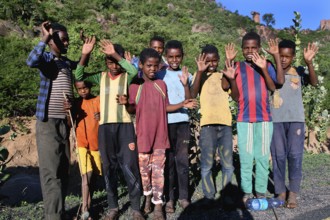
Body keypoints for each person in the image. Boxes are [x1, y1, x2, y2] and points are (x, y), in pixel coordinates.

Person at [117, 48, 197, 220]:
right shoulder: (135, 86)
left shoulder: (161, 85)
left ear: (159, 65)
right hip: (144, 136)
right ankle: (147, 197)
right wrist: (125, 104)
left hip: (160, 136)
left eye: (155, 66)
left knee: (159, 171)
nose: (152, 69)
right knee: (144, 172)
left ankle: (158, 205)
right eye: (148, 66)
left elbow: (165, 107)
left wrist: (182, 104)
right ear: (141, 66)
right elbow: (133, 109)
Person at [74, 39, 144, 220]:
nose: (113, 65)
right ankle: (113, 208)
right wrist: (85, 54)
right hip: (104, 128)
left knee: (129, 166)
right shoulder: (101, 77)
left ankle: (136, 208)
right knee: (109, 168)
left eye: (115, 61)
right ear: (105, 62)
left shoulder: (126, 76)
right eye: (109, 61)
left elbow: (134, 70)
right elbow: (79, 76)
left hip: (125, 127)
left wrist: (115, 54)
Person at [26, 20, 83, 220]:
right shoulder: (46, 59)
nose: (67, 43)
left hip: (64, 123)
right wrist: (45, 37)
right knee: (51, 172)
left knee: (63, 169)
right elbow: (31, 60)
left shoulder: (66, 63)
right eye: (63, 40)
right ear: (52, 41)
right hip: (48, 122)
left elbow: (81, 72)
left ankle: (59, 213)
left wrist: (86, 52)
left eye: (68, 40)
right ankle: (53, 216)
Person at [225, 32, 284, 203]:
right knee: (246, 156)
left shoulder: (266, 64)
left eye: (253, 47)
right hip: (244, 119)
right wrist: (228, 61)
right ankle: (246, 191)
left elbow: (273, 86)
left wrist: (264, 68)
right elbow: (229, 90)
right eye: (246, 48)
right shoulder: (236, 66)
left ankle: (260, 190)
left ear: (259, 48)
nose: (250, 51)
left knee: (263, 156)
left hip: (265, 119)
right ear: (242, 49)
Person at [270, 40, 318, 208]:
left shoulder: (298, 71)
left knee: (295, 155)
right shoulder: (271, 70)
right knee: (278, 156)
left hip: (296, 120)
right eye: (280, 56)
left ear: (293, 57)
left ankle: (293, 193)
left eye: (287, 56)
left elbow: (313, 82)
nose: (283, 59)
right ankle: (280, 191)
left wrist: (309, 63)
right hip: (276, 120)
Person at [190, 44, 237, 204]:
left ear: (218, 60)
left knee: (227, 163)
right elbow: (192, 94)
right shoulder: (200, 77)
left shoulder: (222, 75)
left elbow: (226, 86)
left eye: (214, 60)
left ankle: (227, 194)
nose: (211, 64)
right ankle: (209, 196)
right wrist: (199, 71)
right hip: (207, 126)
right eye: (207, 61)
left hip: (225, 125)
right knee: (206, 164)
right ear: (202, 59)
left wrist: (229, 61)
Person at [156, 40, 192, 213]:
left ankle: (184, 197)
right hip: (166, 123)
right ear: (166, 57)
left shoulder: (187, 74)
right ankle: (169, 199)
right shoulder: (160, 74)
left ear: (182, 56)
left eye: (178, 56)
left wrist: (185, 84)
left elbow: (190, 99)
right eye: (171, 57)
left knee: (183, 161)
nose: (174, 60)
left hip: (183, 122)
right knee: (168, 162)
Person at [73, 80, 102, 220]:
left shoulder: (97, 100)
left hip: (96, 145)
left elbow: (105, 118)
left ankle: (88, 207)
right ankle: (84, 208)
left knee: (93, 176)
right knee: (87, 173)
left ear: (90, 88)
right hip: (81, 143)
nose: (83, 91)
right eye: (79, 89)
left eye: (85, 88)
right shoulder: (75, 103)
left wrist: (101, 117)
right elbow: (70, 121)